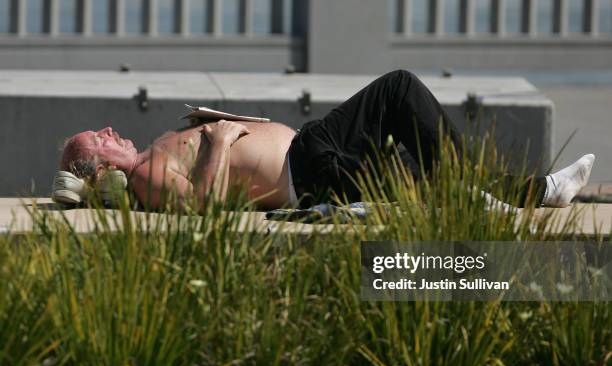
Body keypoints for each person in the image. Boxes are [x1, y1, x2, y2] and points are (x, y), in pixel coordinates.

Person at [56, 70, 595, 211]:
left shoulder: (153, 151)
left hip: (309, 150)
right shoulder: (144, 177)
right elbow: (200, 205)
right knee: (405, 131)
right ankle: (533, 192)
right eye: (96, 140)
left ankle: (536, 190)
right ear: (95, 169)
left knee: (406, 116)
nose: (107, 130)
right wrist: (219, 139)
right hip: (306, 175)